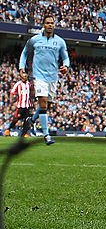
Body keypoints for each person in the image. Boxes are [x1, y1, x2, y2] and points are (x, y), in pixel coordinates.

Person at [19, 14, 70, 145]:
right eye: (47, 23)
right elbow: (24, 53)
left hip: (53, 77)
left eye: (52, 23)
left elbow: (65, 57)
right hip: (39, 76)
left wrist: (66, 66)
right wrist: (21, 68)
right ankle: (46, 135)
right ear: (43, 24)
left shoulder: (60, 41)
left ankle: (31, 120)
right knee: (43, 103)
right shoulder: (35, 40)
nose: (50, 25)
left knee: (47, 105)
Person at [9, 69, 33, 137]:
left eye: (25, 76)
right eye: (23, 76)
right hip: (20, 105)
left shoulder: (29, 84)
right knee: (16, 118)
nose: (24, 78)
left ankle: (24, 133)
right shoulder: (18, 84)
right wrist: (11, 101)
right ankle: (9, 129)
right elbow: (12, 92)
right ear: (21, 77)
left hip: (28, 105)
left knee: (27, 120)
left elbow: (32, 92)